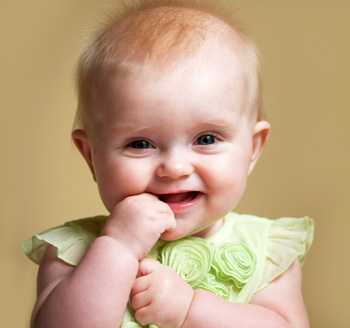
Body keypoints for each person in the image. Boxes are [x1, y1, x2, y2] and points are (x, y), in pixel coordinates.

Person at [22, 0, 314, 327]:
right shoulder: (75, 249)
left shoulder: (267, 250)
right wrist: (117, 248)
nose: (174, 168)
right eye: (140, 144)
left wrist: (189, 309)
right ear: (91, 156)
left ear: (253, 149)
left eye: (206, 139)